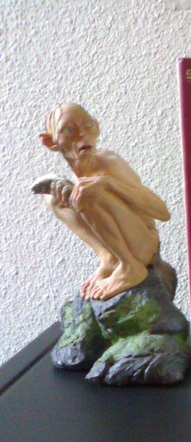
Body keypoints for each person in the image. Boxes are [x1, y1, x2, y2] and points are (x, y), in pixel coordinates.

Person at [38, 103, 170, 301]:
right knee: (54, 198)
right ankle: (109, 259)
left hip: (145, 244)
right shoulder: (80, 168)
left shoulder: (108, 162)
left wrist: (108, 183)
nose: (82, 134)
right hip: (122, 241)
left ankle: (131, 267)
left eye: (89, 125)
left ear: (97, 127)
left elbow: (162, 212)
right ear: (50, 142)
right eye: (68, 130)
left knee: (87, 194)